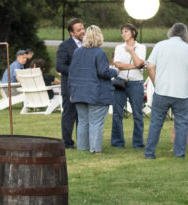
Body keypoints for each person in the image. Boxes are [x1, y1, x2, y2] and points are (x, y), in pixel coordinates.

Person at [144, 23, 188, 159]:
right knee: (181, 124)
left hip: (162, 91)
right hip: (181, 93)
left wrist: (156, 83)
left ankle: (149, 153)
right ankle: (179, 153)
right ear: (184, 34)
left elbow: (151, 67)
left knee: (156, 123)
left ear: (171, 32)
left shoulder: (159, 46)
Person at [69, 25, 118, 153]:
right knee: (96, 122)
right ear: (99, 36)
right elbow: (103, 72)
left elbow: (72, 73)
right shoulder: (99, 52)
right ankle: (96, 150)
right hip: (96, 93)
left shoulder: (77, 52)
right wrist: (115, 71)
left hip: (79, 92)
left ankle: (82, 148)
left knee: (83, 122)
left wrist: (71, 92)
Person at [111, 24, 148, 149]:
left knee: (137, 114)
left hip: (136, 83)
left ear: (133, 32)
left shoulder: (141, 47)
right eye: (122, 32)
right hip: (120, 81)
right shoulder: (118, 48)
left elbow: (139, 62)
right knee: (117, 113)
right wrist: (134, 66)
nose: (123, 34)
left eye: (126, 31)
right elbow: (117, 64)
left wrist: (132, 51)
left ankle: (138, 143)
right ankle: (117, 142)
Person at [56, 18, 85, 149]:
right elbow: (60, 66)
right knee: (69, 114)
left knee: (83, 114)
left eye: (83, 28)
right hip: (70, 85)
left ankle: (83, 142)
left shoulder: (88, 43)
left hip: (85, 85)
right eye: (79, 30)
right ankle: (67, 143)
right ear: (71, 33)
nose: (82, 31)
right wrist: (77, 71)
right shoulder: (65, 46)